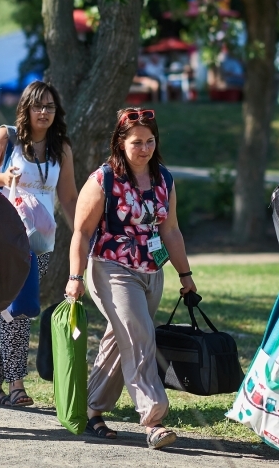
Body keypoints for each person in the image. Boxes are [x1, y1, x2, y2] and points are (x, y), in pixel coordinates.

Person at [65, 107, 197, 450]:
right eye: (137, 142)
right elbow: (81, 233)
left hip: (152, 271)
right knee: (139, 335)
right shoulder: (103, 179)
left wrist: (185, 275)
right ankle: (153, 419)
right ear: (120, 142)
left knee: (120, 338)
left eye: (150, 141)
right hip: (110, 268)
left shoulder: (164, 179)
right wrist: (74, 276)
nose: (145, 148)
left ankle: (91, 407)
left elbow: (170, 230)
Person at [0, 80, 78, 407]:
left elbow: (70, 197)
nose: (44, 112)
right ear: (26, 108)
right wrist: (3, 179)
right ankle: (17, 384)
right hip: (6, 238)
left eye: (49, 106)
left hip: (42, 242)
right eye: (37, 106)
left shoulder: (62, 148)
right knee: (16, 313)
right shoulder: (8, 137)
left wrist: (84, 237)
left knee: (7, 311)